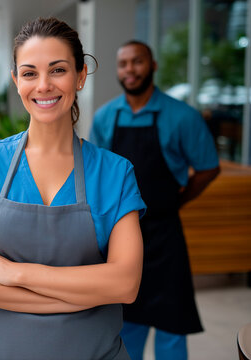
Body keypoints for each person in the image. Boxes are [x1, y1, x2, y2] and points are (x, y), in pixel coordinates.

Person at [0, 17, 146, 360]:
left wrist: (18, 273)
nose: (43, 85)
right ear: (16, 80)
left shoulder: (116, 173)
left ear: (81, 76)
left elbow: (125, 285)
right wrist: (76, 296)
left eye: (58, 70)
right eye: (29, 73)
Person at [90, 40, 220, 360]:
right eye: (123, 64)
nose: (130, 70)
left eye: (137, 62)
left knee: (172, 327)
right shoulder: (105, 117)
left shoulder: (182, 117)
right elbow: (97, 175)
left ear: (153, 66)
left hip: (165, 235)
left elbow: (208, 168)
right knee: (126, 323)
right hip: (120, 235)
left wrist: (178, 200)